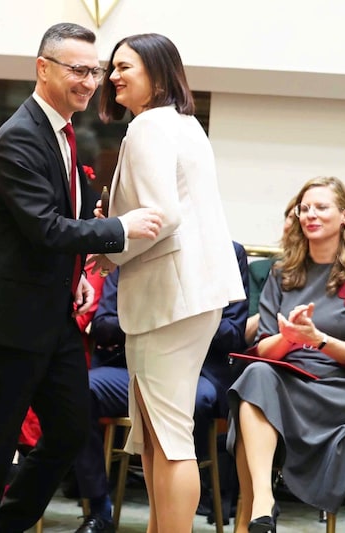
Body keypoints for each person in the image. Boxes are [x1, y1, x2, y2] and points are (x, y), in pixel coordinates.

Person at [0, 23, 164, 532]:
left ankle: (5, 524)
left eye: (94, 71)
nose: (90, 81)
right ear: (42, 69)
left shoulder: (67, 133)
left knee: (70, 432)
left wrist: (83, 269)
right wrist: (118, 229)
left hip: (57, 313)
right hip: (11, 318)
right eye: (77, 70)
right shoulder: (20, 134)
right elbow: (44, 228)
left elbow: (56, 222)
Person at [88, 33, 245, 533]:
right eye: (111, 66)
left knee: (169, 436)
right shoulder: (185, 125)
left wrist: (108, 246)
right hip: (190, 295)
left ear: (157, 74)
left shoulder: (148, 128)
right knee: (156, 434)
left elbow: (163, 216)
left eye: (124, 67)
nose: (112, 76)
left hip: (168, 298)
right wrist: (116, 220)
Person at [226, 176, 345, 533]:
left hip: (338, 389)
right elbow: (265, 347)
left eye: (321, 207)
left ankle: (250, 516)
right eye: (305, 208)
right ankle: (263, 504)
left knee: (254, 394)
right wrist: (288, 338)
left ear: (344, 216)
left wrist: (317, 339)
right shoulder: (283, 272)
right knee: (255, 378)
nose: (310, 214)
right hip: (285, 376)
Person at [74, 241, 249, 533]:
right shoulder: (136, 247)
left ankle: (183, 514)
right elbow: (104, 324)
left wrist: (182, 315)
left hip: (197, 371)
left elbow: (233, 334)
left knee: (192, 403)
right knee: (80, 389)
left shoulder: (226, 251)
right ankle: (99, 507)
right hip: (130, 365)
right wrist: (152, 317)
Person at [244, 197, 298, 346]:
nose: (294, 226)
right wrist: (277, 309)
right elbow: (243, 333)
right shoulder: (261, 271)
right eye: (291, 217)